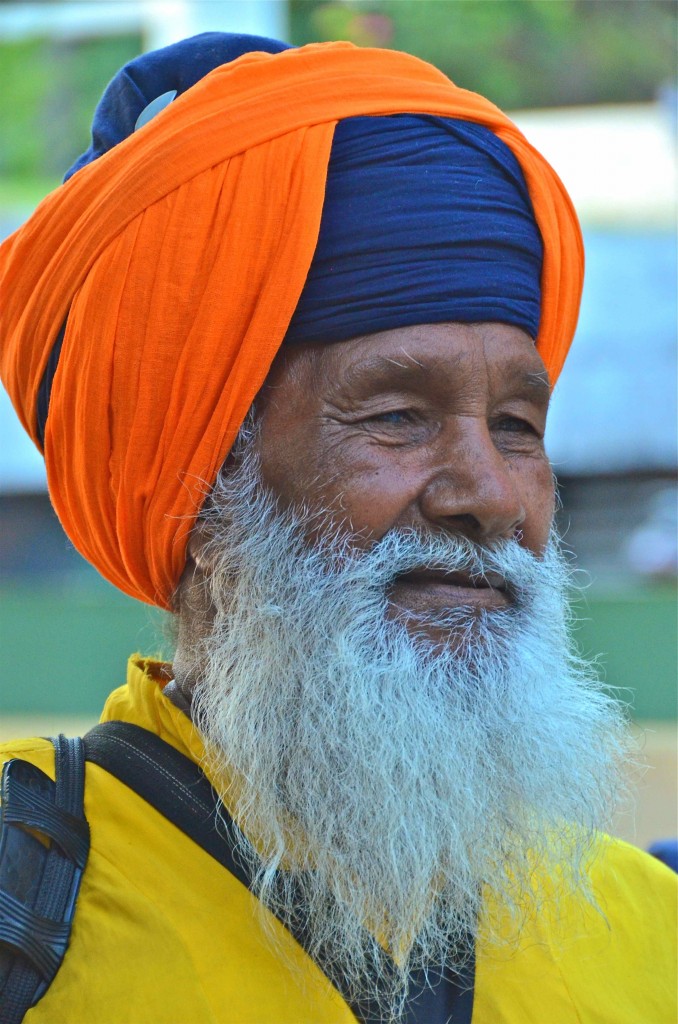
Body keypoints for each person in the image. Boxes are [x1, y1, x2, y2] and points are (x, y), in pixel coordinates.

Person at [0, 32, 675, 1024]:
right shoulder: (32, 922)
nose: (488, 493)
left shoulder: (652, 930)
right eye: (398, 415)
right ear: (213, 471)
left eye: (517, 426)